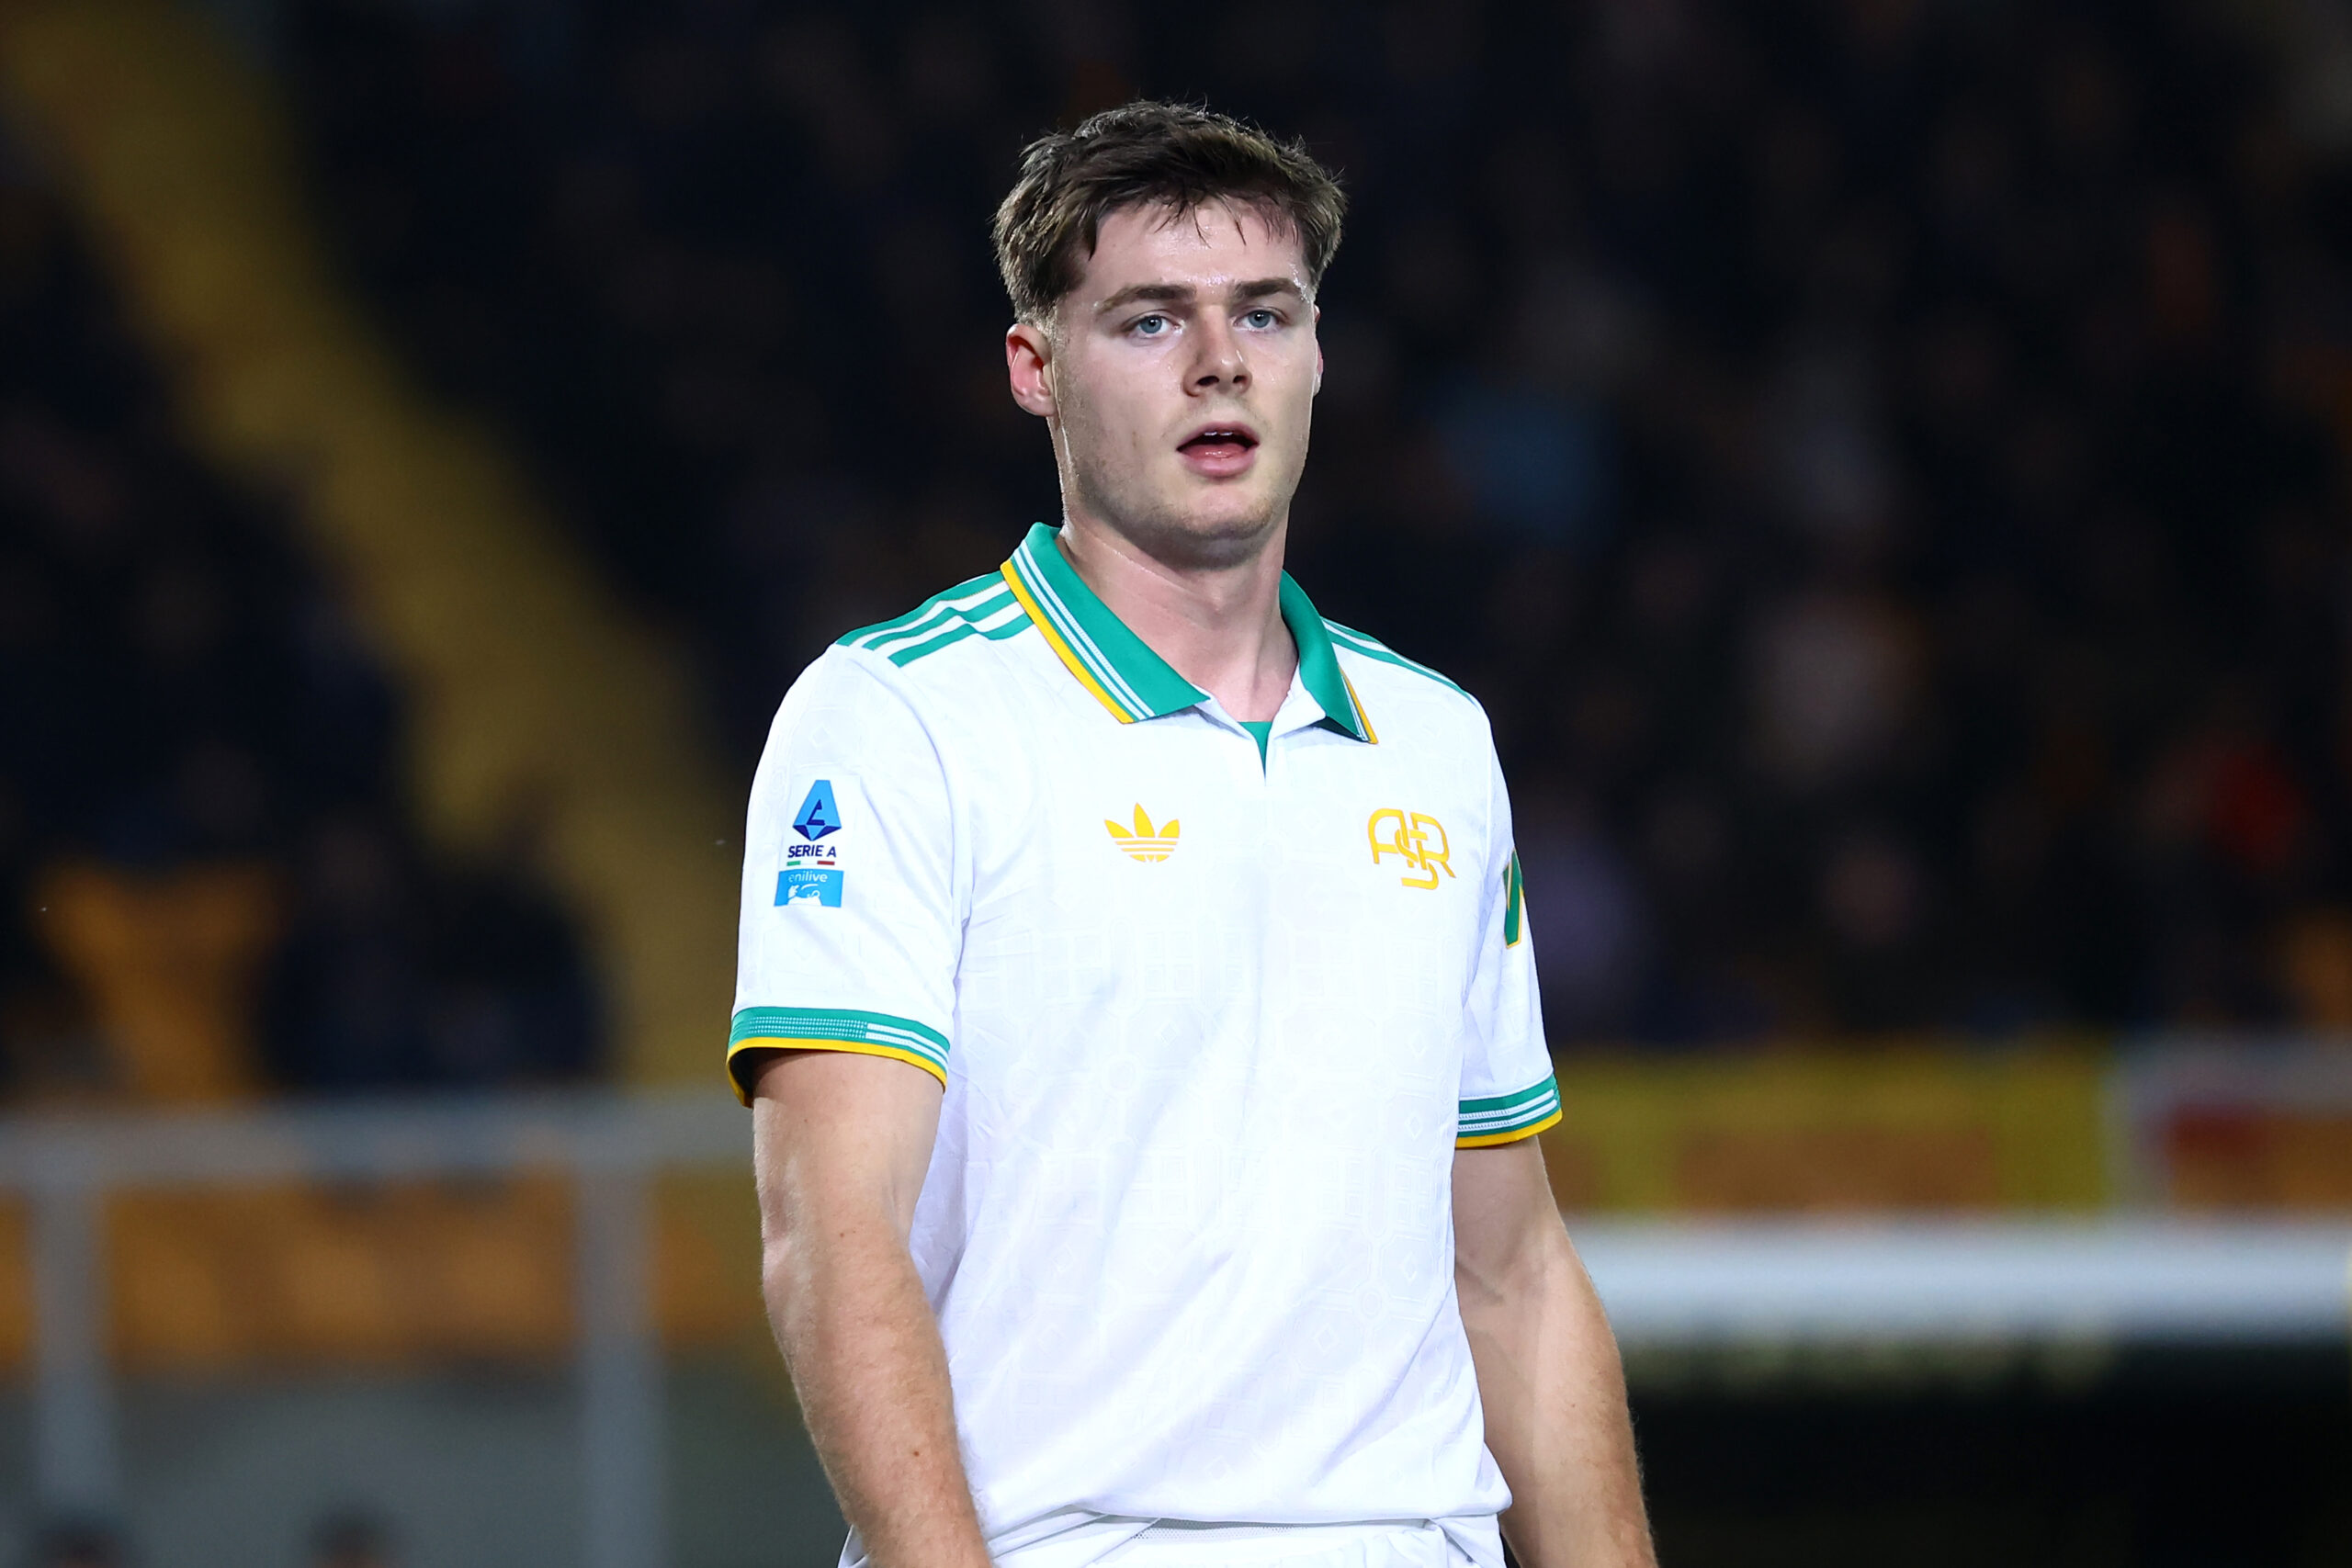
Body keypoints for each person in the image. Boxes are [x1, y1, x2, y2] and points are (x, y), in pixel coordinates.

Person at [732, 101, 1656, 1568]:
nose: (1221, 361)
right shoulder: (898, 717)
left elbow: (1513, 1276)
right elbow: (834, 1240)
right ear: (1035, 368)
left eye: (1265, 314)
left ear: (1317, 357)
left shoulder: (1437, 743)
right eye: (1152, 319)